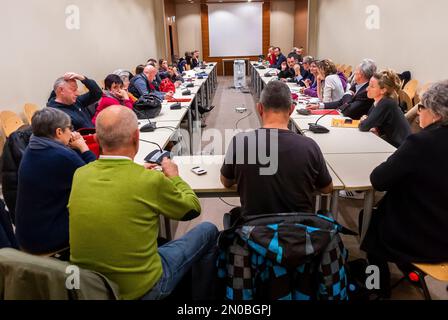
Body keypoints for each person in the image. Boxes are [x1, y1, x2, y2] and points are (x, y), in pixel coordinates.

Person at [68, 106, 219, 300]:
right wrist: (174, 177)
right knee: (208, 230)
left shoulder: (80, 174)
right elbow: (192, 208)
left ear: (96, 139)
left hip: (90, 290)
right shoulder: (150, 181)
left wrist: (136, 172)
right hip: (142, 290)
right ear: (136, 137)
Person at [362, 80, 448, 297]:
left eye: (421, 107)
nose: (419, 113)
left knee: (370, 222)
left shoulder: (421, 143)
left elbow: (378, 180)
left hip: (422, 239)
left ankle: (376, 289)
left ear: (437, 114)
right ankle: (409, 271)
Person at [220, 81, 333, 216]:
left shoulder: (240, 142)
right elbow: (327, 188)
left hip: (254, 233)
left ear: (259, 108)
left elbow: (226, 181)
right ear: (291, 109)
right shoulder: (309, 146)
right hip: (299, 233)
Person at [15, 108, 96, 257]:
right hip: (45, 238)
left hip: (28, 233)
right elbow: (96, 179)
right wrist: (83, 147)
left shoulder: (33, 148)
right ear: (59, 132)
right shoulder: (60, 156)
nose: (72, 132)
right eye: (69, 128)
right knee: (103, 210)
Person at [307, 59, 377, 120]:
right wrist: (319, 106)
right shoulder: (356, 85)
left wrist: (347, 93)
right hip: (343, 117)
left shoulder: (366, 91)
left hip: (353, 124)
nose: (354, 73)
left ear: (361, 74)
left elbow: (349, 110)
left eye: (356, 70)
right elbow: (340, 102)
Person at [359, 70, 411, 147]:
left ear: (383, 90)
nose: (367, 89)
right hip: (391, 145)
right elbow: (370, 122)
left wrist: (366, 122)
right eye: (368, 85)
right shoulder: (380, 101)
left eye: (372, 86)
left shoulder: (386, 103)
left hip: (400, 149)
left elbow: (364, 126)